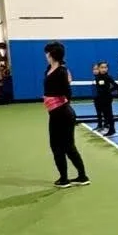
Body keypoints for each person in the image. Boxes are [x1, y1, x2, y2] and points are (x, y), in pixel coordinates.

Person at [43, 41, 89, 188]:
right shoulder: (49, 69)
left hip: (62, 113)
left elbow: (67, 94)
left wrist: (58, 104)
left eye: (47, 53)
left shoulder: (62, 71)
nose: (46, 55)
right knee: (59, 146)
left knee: (64, 146)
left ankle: (74, 178)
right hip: (55, 113)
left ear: (51, 54)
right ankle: (71, 177)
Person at [95, 60, 117, 137]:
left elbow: (116, 86)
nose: (104, 69)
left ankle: (112, 130)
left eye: (105, 67)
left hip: (107, 98)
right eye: (102, 67)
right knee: (105, 114)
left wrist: (109, 91)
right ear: (98, 68)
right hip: (100, 98)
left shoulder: (108, 77)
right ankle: (108, 128)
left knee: (109, 114)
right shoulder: (97, 77)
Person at [92, 63, 103, 131]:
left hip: (102, 99)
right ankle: (99, 125)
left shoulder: (102, 78)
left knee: (104, 113)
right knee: (98, 113)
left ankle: (106, 125)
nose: (95, 71)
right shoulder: (95, 78)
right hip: (96, 99)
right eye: (94, 69)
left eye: (96, 69)